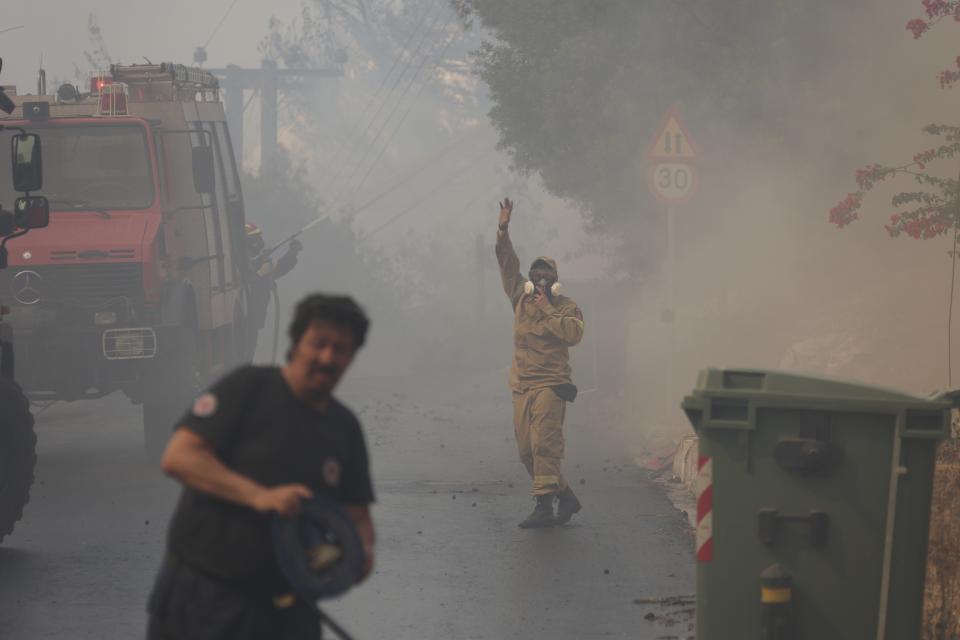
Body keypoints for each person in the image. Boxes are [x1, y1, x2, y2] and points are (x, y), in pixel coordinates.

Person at [146, 293, 376, 640]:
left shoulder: (345, 429)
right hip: (204, 601)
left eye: (341, 349)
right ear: (297, 343)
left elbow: (357, 517)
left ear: (351, 358)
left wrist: (359, 554)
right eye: (319, 343)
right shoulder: (249, 388)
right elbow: (179, 456)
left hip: (290, 611)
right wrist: (259, 496)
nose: (328, 357)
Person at [495, 197, 586, 529]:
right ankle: (567, 496)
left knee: (544, 445)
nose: (539, 276)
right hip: (522, 384)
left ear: (555, 279)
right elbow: (507, 262)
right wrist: (503, 229)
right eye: (536, 272)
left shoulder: (565, 306)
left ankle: (544, 507)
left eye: (546, 272)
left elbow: (573, 335)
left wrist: (547, 306)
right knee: (525, 452)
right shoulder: (520, 295)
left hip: (552, 383)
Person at [245, 222, 303, 358]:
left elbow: (278, 268)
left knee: (247, 356)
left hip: (252, 319)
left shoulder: (258, 261)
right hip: (242, 318)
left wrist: (292, 253)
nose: (258, 244)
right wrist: (259, 274)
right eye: (254, 240)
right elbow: (245, 282)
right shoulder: (235, 262)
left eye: (258, 239)